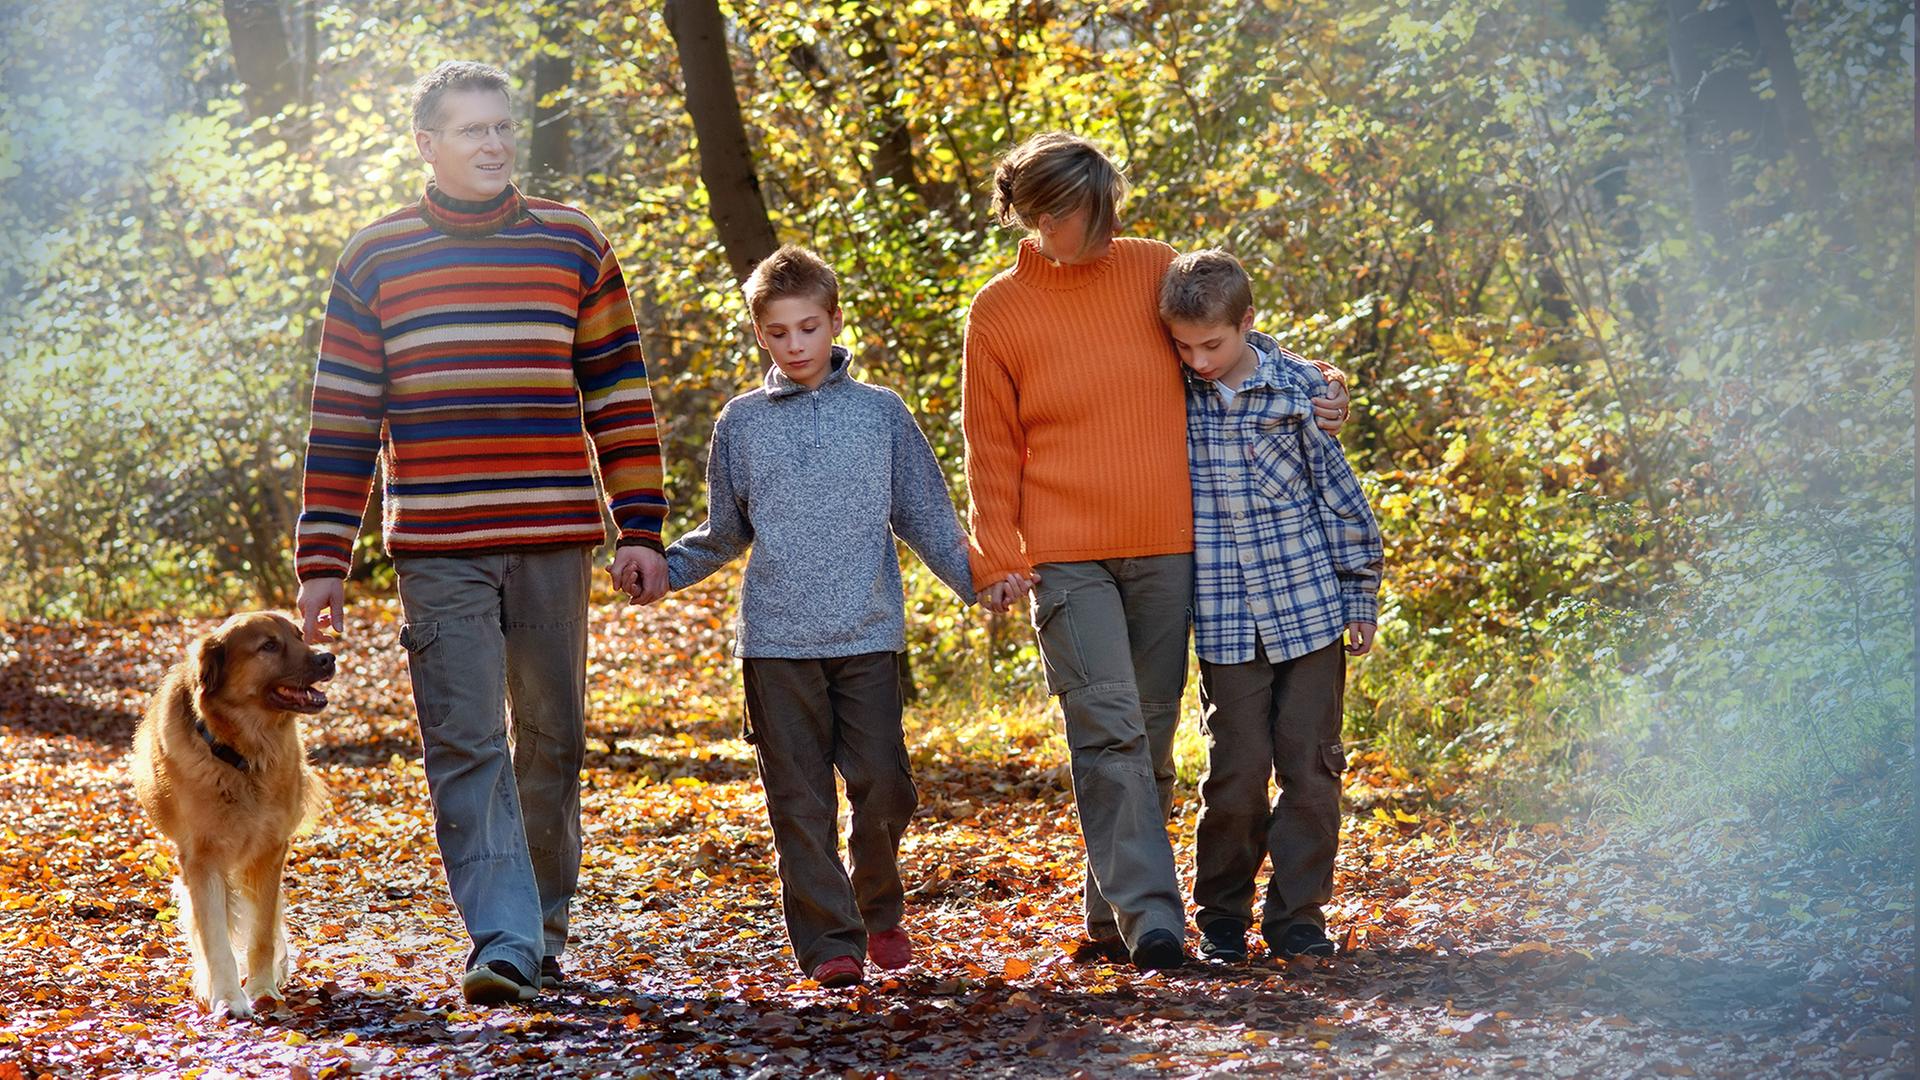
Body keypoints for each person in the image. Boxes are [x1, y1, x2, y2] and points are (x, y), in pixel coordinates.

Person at [292, 61, 668, 1004]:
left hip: (552, 538)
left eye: (503, 128)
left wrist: (642, 526)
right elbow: (342, 418)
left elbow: (618, 392)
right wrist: (324, 557)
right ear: (427, 144)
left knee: (552, 737)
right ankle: (501, 939)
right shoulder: (375, 257)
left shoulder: (573, 243)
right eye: (473, 131)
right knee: (466, 739)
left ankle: (539, 929)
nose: (495, 144)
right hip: (440, 547)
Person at [960, 131, 1353, 970]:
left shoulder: (1153, 268)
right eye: (1080, 218)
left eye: (1107, 212)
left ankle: (1111, 917)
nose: (1101, 231)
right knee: (1106, 734)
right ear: (1037, 216)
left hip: (1173, 547)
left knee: (1150, 733)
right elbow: (988, 446)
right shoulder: (997, 310)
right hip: (1065, 555)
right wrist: (997, 555)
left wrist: (1318, 387)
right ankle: (1154, 921)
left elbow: (1230, 339)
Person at [648, 245, 984, 988]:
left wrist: (979, 583)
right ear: (758, 334)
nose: (795, 345)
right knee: (799, 801)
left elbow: (924, 516)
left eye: (808, 328)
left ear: (834, 321)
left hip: (868, 634)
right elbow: (725, 531)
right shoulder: (741, 423)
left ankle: (877, 904)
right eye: (777, 332)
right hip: (776, 643)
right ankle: (830, 942)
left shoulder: (881, 415)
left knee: (885, 785)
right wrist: (663, 571)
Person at [1159, 249, 1383, 962]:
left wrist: (1361, 592)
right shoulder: (1172, 394)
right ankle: (1221, 915)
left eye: (1212, 345)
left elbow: (1340, 498)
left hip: (1311, 611)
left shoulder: (1296, 394)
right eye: (1184, 346)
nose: (1197, 359)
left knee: (1312, 770)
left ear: (1248, 324)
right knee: (1234, 774)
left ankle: (1298, 917)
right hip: (1226, 623)